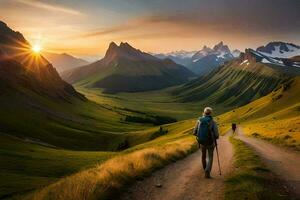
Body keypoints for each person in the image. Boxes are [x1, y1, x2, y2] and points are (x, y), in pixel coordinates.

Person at [194, 107, 219, 178]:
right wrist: (214, 137)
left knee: (203, 156)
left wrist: (201, 136)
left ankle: (205, 169)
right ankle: (207, 171)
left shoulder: (199, 120)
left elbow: (194, 132)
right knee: (210, 156)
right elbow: (216, 135)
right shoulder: (213, 122)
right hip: (210, 142)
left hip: (202, 142)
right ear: (211, 113)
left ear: (204, 113)